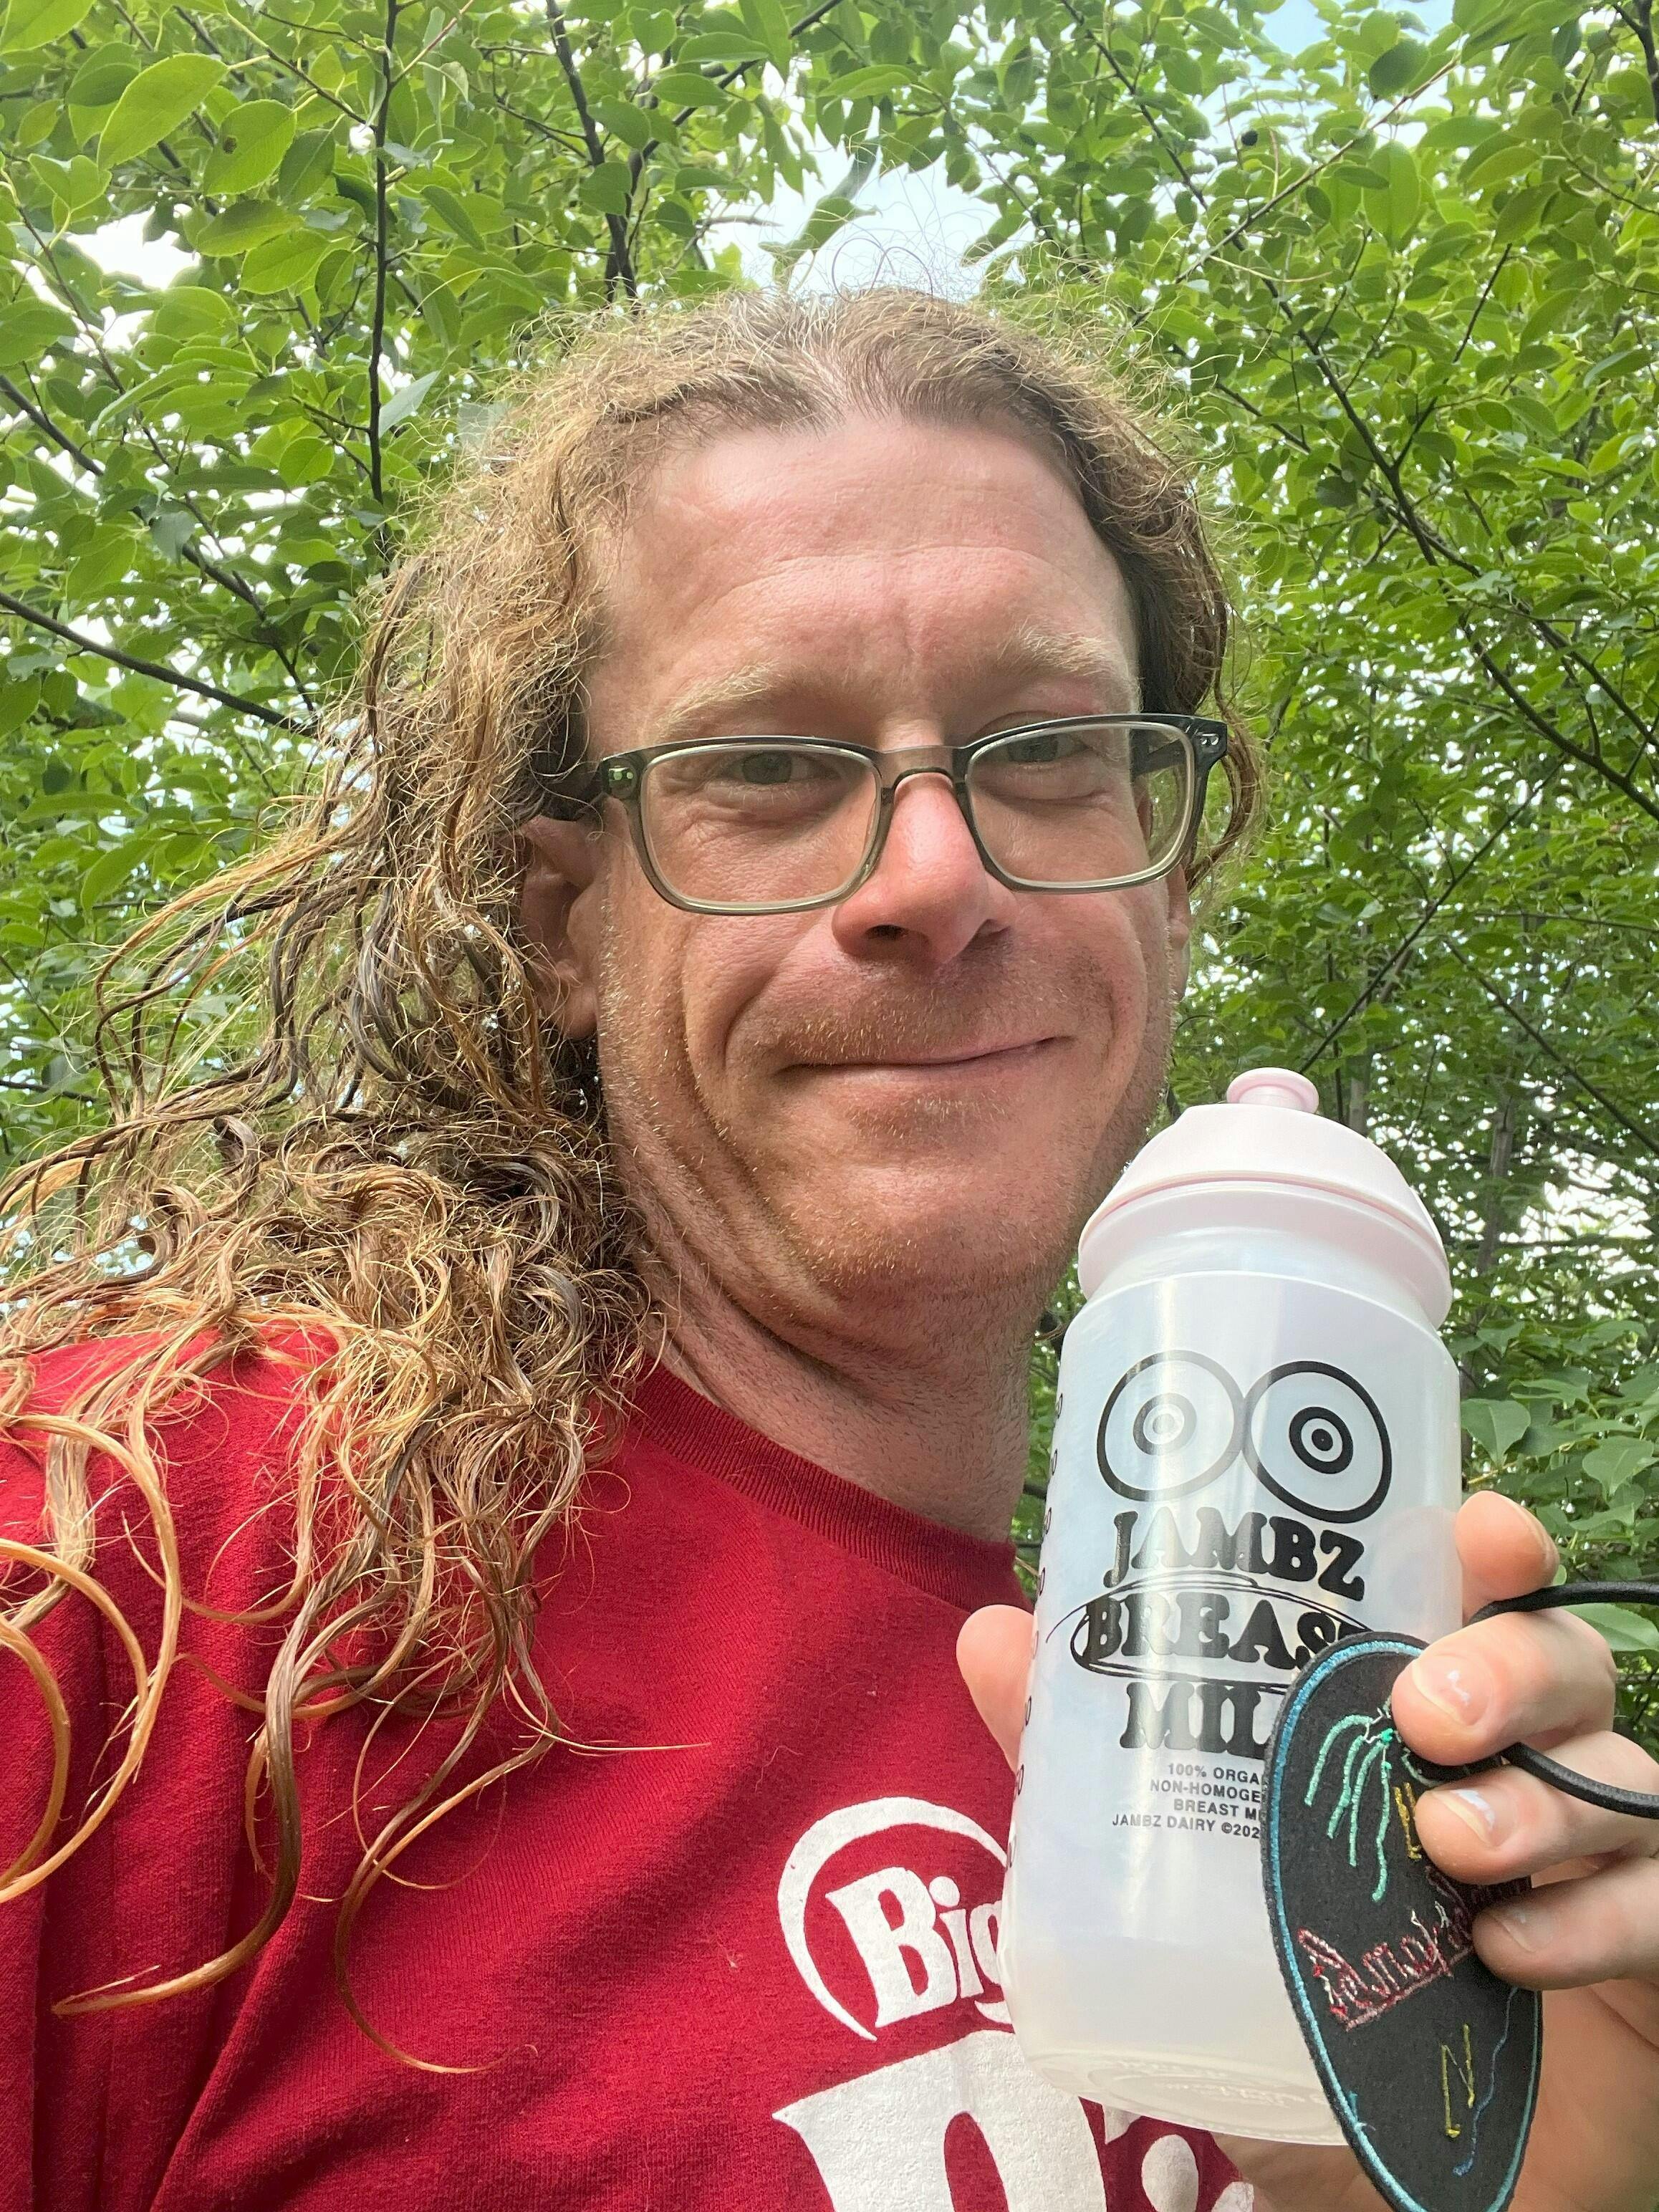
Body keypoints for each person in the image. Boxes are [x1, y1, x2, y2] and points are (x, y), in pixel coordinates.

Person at [1, 287, 1655, 2212]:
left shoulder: (1209, 1753)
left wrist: (1522, 2173)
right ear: (564, 923)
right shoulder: (126, 1572)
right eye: (768, 769)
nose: (935, 880)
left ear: (1166, 874)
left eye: (1045, 748)